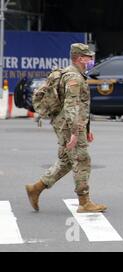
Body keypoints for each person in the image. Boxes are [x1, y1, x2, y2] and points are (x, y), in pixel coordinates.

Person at [25, 43, 107, 213]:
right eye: (88, 57)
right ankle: (84, 202)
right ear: (79, 58)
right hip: (69, 126)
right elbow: (71, 107)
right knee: (82, 160)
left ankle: (36, 188)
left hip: (66, 124)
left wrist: (87, 129)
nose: (91, 60)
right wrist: (76, 134)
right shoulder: (74, 78)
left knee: (66, 161)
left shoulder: (73, 74)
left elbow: (80, 106)